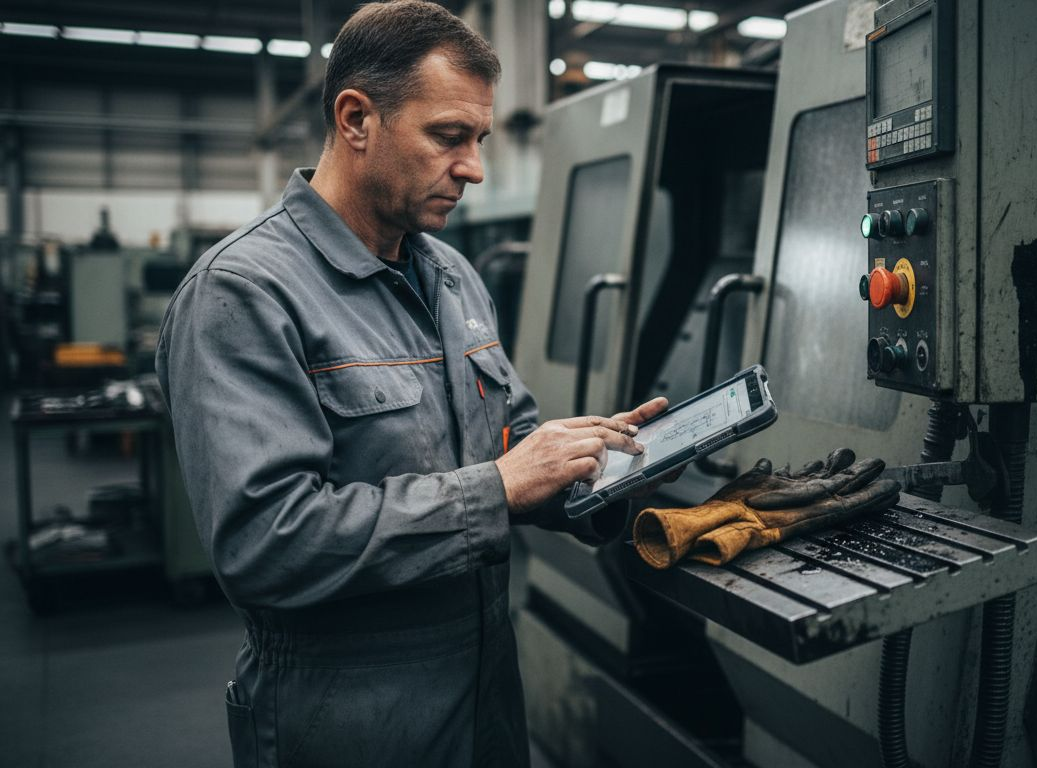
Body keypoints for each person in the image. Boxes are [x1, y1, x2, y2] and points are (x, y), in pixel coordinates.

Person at [155, 3, 666, 765]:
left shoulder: (451, 274)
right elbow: (267, 541)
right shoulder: (244, 294)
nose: (474, 167)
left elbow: (511, 446)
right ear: (357, 119)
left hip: (487, 696)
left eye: (480, 139)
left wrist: (605, 467)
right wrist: (496, 488)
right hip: (345, 718)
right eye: (448, 136)